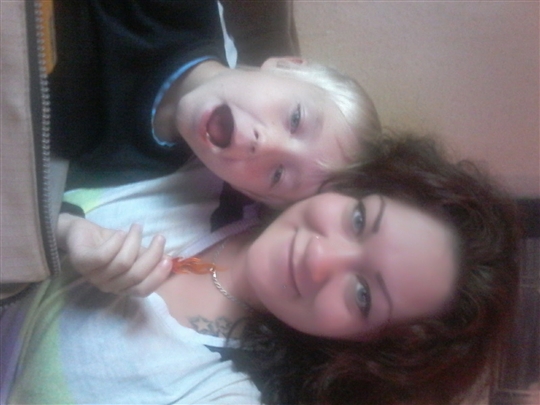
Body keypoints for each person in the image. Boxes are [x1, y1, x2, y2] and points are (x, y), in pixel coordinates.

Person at [1, 133, 521, 405]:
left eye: (363, 294)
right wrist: (63, 231)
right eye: (359, 220)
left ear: (368, 350)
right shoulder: (217, 167)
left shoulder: (224, 392)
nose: (320, 259)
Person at [52, 0, 380, 209]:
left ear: (247, 192)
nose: (265, 144)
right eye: (295, 119)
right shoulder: (180, 11)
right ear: (286, 65)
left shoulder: (130, 171)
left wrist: (68, 230)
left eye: (278, 174)